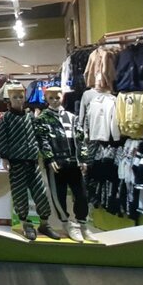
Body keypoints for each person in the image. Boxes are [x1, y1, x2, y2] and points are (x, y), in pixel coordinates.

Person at [0, 84, 60, 241]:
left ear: (25, 97)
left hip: (33, 162)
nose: (18, 100)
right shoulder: (6, 118)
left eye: (21, 97)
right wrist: (4, 157)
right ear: (9, 98)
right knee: (20, 194)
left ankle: (44, 223)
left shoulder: (30, 116)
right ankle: (25, 223)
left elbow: (38, 136)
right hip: (16, 162)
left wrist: (45, 155)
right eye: (15, 97)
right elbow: (3, 138)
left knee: (40, 193)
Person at [35, 86, 95, 242]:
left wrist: (83, 158)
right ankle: (67, 223)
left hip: (74, 162)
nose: (55, 101)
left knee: (81, 194)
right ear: (46, 99)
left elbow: (80, 139)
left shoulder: (72, 117)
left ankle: (83, 224)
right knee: (59, 195)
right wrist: (49, 158)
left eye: (57, 97)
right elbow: (42, 140)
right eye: (51, 98)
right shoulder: (42, 118)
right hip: (57, 163)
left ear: (62, 97)